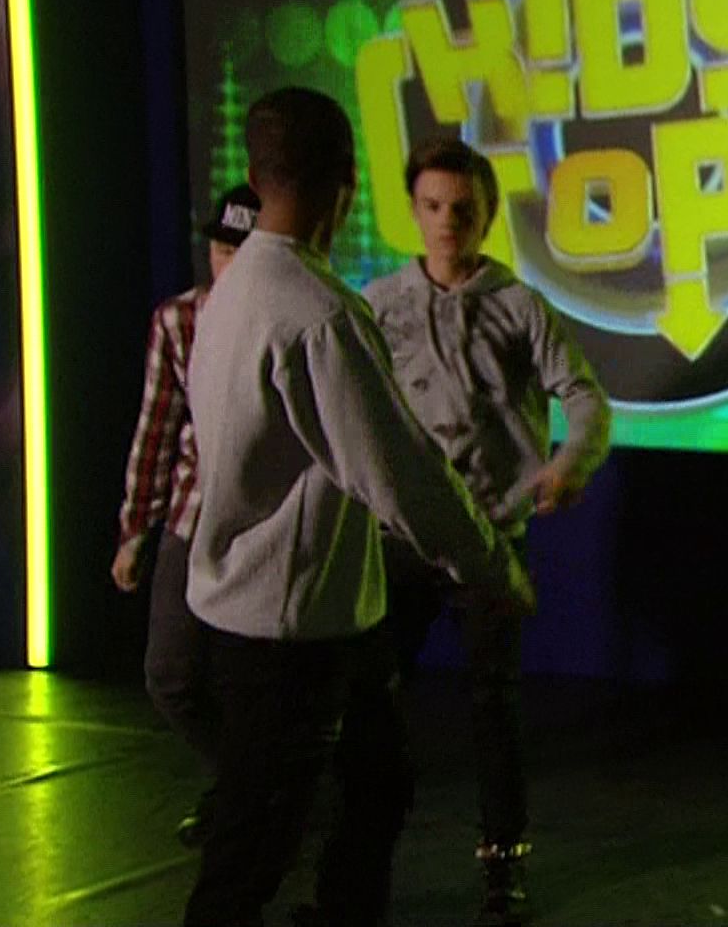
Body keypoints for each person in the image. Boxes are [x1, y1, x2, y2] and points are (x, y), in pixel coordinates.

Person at [181, 87, 534, 927]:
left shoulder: (233, 292)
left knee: (372, 788)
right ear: (346, 185)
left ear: (258, 177)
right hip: (292, 628)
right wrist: (491, 563)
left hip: (292, 615)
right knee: (253, 852)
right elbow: (402, 476)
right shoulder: (321, 316)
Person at [363, 135, 611, 925]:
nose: (447, 222)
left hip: (491, 531)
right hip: (403, 534)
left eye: (462, 209)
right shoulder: (381, 305)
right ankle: (359, 862)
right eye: (433, 206)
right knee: (372, 698)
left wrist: (568, 462)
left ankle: (503, 860)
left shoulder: (516, 304)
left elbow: (584, 395)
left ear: (487, 214)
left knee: (491, 705)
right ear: (413, 210)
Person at [110, 183, 258, 847]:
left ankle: (251, 798)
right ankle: (247, 783)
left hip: (265, 526)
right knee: (170, 675)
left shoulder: (294, 316)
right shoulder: (179, 320)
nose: (230, 263)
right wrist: (135, 531)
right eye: (222, 249)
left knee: (249, 679)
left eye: (243, 251)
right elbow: (157, 427)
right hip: (192, 517)